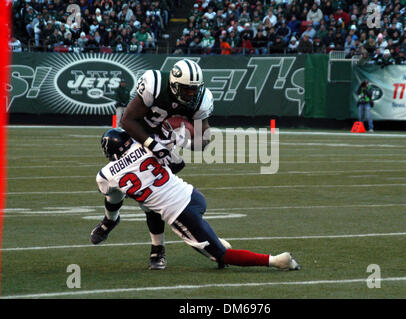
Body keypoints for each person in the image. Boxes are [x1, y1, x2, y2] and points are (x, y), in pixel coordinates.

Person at [91, 128, 300, 271]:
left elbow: (114, 194)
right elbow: (177, 164)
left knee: (220, 256)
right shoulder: (146, 146)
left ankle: (276, 261)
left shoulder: (106, 174)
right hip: (193, 196)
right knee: (148, 203)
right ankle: (158, 246)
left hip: (180, 213)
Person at [121, 59, 214, 270]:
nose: (191, 95)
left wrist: (185, 141)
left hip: (166, 146)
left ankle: (157, 249)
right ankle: (110, 219)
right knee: (119, 182)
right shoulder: (154, 83)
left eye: (194, 90)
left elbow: (204, 141)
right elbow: (127, 121)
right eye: (186, 90)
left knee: (153, 198)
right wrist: (152, 144)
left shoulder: (202, 100)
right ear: (173, 84)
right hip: (140, 137)